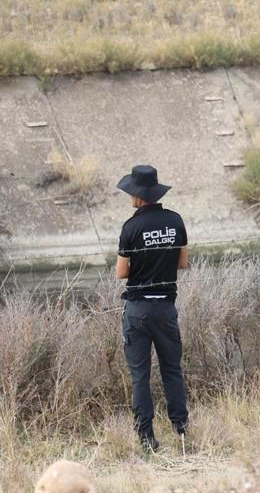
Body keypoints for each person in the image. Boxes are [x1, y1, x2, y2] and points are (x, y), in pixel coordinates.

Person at [116, 165, 189, 451]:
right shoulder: (176, 221)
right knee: (172, 369)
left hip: (137, 309)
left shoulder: (130, 227)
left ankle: (146, 438)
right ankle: (181, 429)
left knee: (140, 376)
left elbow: (122, 272)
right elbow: (182, 263)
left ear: (137, 195)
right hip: (166, 308)